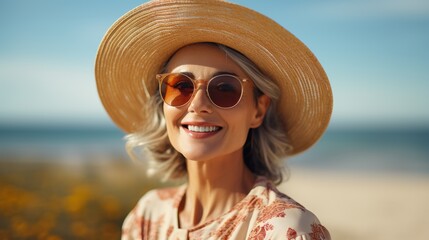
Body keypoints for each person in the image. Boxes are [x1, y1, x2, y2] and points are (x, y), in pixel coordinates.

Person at [95, 1, 333, 239]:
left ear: (258, 111)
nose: (198, 105)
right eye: (180, 86)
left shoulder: (285, 229)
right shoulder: (147, 215)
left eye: (224, 88)